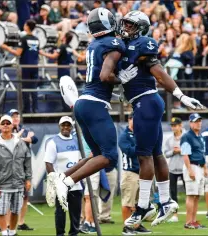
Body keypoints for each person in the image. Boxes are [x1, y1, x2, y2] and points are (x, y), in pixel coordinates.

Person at [118, 10, 204, 227]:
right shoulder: (126, 46)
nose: (126, 28)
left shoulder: (142, 45)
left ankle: (144, 205)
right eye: (126, 24)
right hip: (146, 102)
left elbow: (158, 72)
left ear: (142, 29)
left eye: (131, 25)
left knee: (144, 156)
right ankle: (166, 201)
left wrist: (181, 96)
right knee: (156, 155)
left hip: (145, 102)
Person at [52, 8, 137, 212]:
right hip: (94, 104)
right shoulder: (113, 43)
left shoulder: (95, 44)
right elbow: (104, 76)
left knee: (97, 154)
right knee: (109, 157)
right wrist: (121, 79)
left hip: (85, 102)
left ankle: (62, 177)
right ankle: (67, 182)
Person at [0, 115, 32, 236]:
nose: (5, 125)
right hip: (2, 185)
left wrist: (28, 179)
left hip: (18, 184)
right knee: (0, 212)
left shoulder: (20, 143)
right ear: (0, 126)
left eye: (8, 123)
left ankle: (12, 232)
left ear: (12, 125)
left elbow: (27, 161)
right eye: (3, 123)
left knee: (15, 211)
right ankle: (4, 233)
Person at [44, 116, 83, 236]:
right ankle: (60, 234)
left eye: (68, 125)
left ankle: (74, 233)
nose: (66, 127)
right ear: (59, 126)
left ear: (71, 127)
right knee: (60, 212)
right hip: (60, 184)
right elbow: (48, 163)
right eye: (63, 125)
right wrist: (54, 180)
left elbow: (81, 161)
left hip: (76, 183)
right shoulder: (53, 142)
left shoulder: (77, 140)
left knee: (75, 213)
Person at [119, 113, 150, 235]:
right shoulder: (124, 136)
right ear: (129, 120)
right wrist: (141, 146)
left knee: (138, 203)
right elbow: (130, 151)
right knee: (128, 202)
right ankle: (126, 227)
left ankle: (136, 225)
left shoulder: (140, 134)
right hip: (130, 173)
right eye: (134, 119)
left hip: (141, 172)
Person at [8, 109, 38, 231]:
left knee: (25, 196)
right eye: (13, 117)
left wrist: (21, 138)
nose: (15, 118)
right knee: (10, 195)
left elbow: (35, 139)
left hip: (24, 166)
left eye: (17, 116)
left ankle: (21, 222)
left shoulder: (25, 129)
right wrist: (24, 139)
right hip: (11, 166)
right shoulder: (6, 129)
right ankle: (10, 223)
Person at [1, 19, 40, 113]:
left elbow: (18, 53)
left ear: (27, 26)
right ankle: (35, 109)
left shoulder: (24, 39)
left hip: (25, 67)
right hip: (35, 67)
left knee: (25, 89)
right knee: (34, 89)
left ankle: (26, 110)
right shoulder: (36, 39)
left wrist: (6, 47)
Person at [180, 113, 208, 229]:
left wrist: (205, 168)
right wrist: (190, 170)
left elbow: (202, 153)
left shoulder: (200, 137)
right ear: (190, 123)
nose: (198, 123)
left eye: (199, 121)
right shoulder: (186, 136)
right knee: (191, 195)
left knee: (197, 196)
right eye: (196, 121)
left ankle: (194, 220)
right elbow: (185, 154)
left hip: (200, 167)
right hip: (191, 166)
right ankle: (188, 222)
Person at [164, 117, 185, 223]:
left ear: (180, 125)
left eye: (175, 125)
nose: (173, 128)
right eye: (172, 126)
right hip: (172, 168)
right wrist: (173, 151)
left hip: (184, 168)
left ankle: (190, 213)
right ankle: (175, 215)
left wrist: (180, 150)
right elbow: (166, 154)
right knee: (173, 193)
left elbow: (190, 151)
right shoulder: (169, 139)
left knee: (189, 192)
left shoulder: (186, 137)